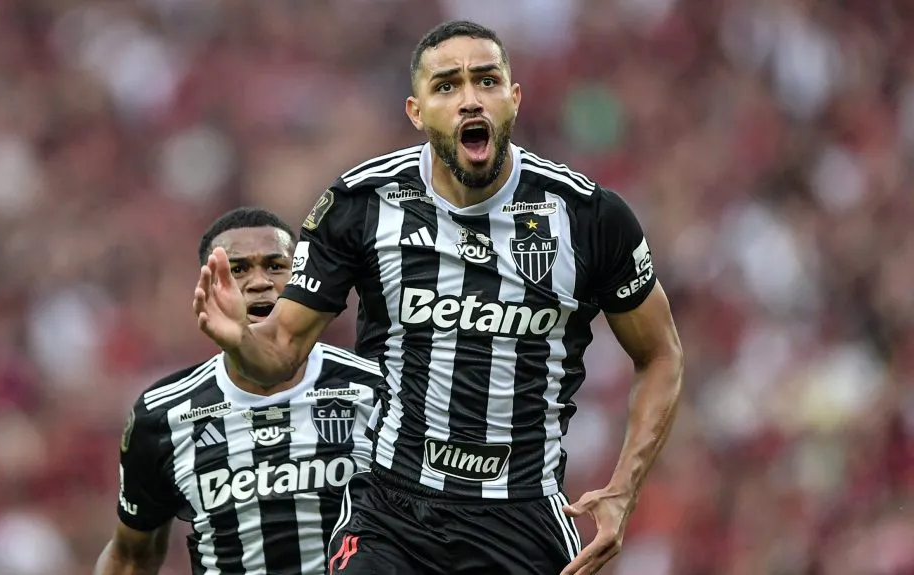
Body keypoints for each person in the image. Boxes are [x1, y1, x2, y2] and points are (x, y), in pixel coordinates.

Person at [193, 20, 684, 575]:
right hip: (393, 510)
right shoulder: (361, 203)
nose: (470, 99)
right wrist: (239, 339)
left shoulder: (588, 216)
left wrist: (624, 490)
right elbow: (281, 346)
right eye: (447, 86)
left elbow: (661, 353)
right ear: (416, 111)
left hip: (521, 515)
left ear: (513, 99)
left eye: (487, 81)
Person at [96, 208, 382, 575]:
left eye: (276, 266)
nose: (260, 282)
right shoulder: (163, 415)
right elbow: (132, 556)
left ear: (302, 281)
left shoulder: (376, 390)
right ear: (208, 290)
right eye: (238, 269)